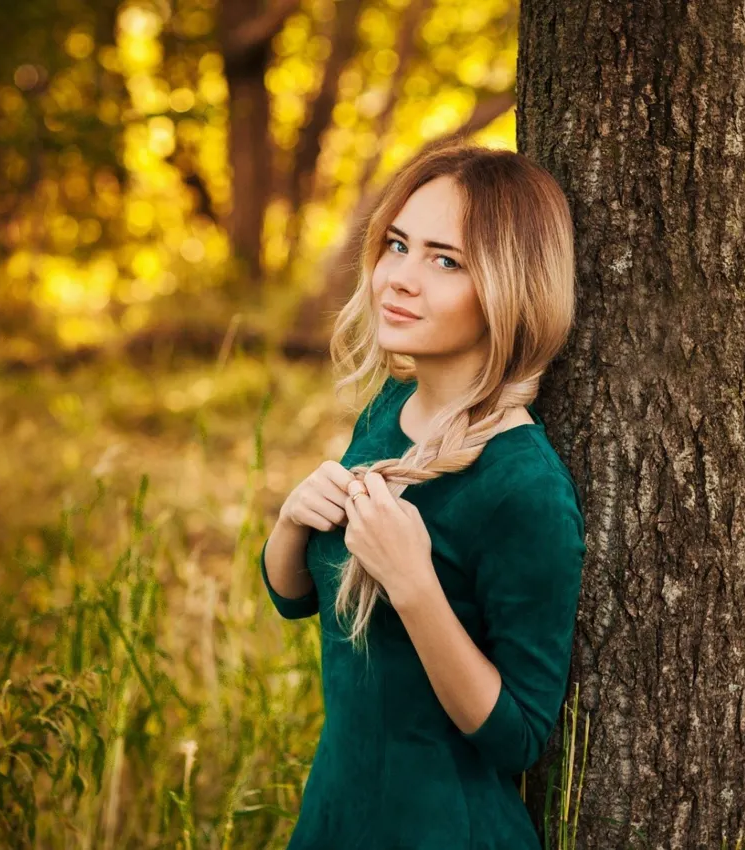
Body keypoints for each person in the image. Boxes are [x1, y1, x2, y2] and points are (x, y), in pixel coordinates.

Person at [259, 138, 586, 849]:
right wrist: (291, 521)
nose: (400, 278)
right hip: (337, 816)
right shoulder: (386, 409)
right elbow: (298, 599)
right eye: (398, 245)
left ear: (509, 286)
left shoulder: (523, 485)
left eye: (446, 260)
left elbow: (520, 736)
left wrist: (416, 587)